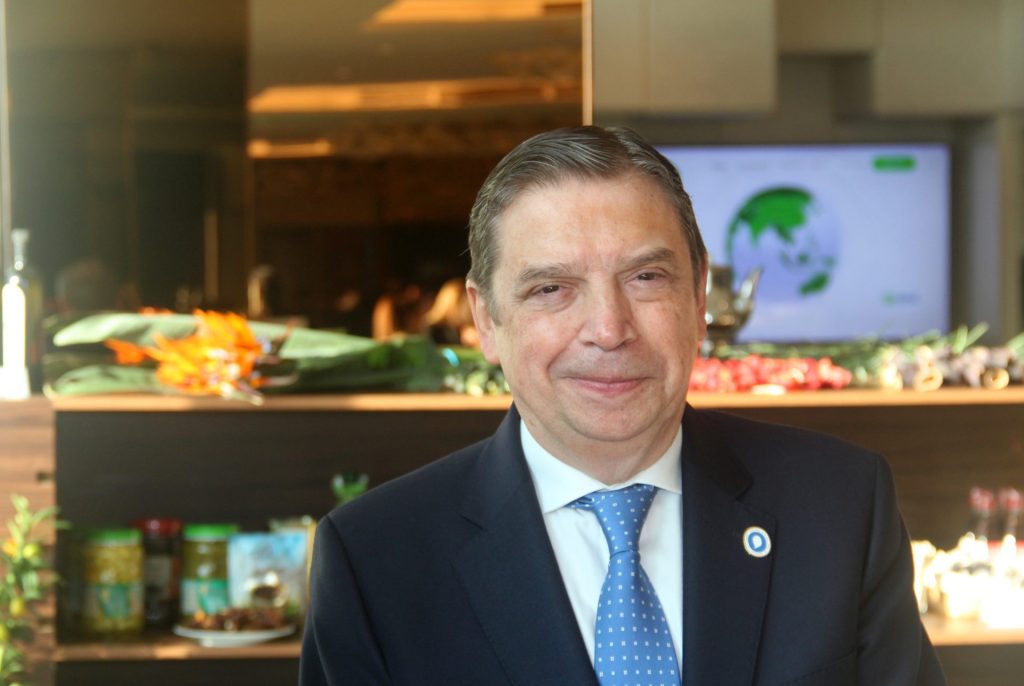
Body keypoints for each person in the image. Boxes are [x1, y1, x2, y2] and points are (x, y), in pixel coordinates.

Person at [300, 126, 946, 686]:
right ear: (487, 320)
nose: (609, 329)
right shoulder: (373, 559)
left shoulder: (840, 505)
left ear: (699, 296)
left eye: (645, 277)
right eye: (552, 288)